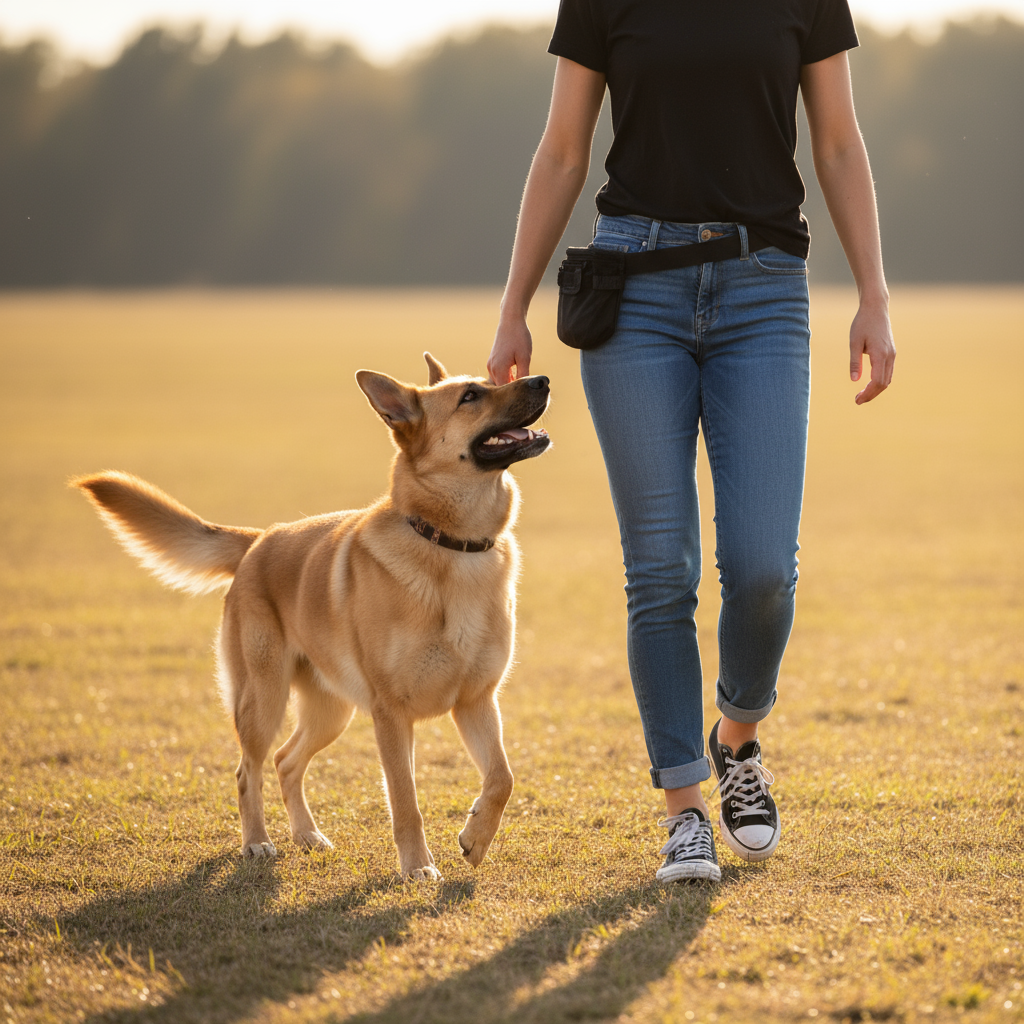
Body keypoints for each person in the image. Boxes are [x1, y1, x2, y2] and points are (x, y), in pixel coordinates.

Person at [486, 0, 896, 882]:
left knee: (761, 566)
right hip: (633, 293)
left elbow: (836, 144)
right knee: (660, 568)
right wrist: (513, 305)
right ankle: (684, 811)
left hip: (764, 289)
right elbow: (563, 149)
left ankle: (736, 739)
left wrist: (874, 294)